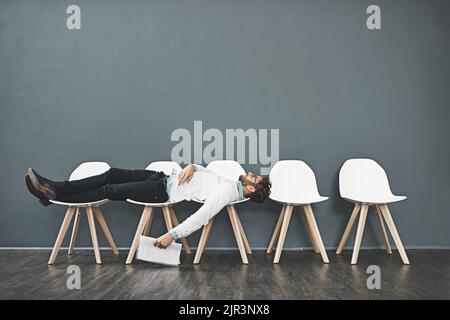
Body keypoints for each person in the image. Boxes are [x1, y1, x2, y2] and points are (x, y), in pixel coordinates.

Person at [25, 164, 271, 248]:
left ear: (250, 189)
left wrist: (170, 236)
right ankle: (55, 187)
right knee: (110, 175)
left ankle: (53, 195)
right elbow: (204, 175)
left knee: (108, 191)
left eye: (254, 178)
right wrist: (194, 166)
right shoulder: (230, 184)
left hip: (160, 191)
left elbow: (202, 216)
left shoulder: (228, 192)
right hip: (160, 177)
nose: (250, 173)